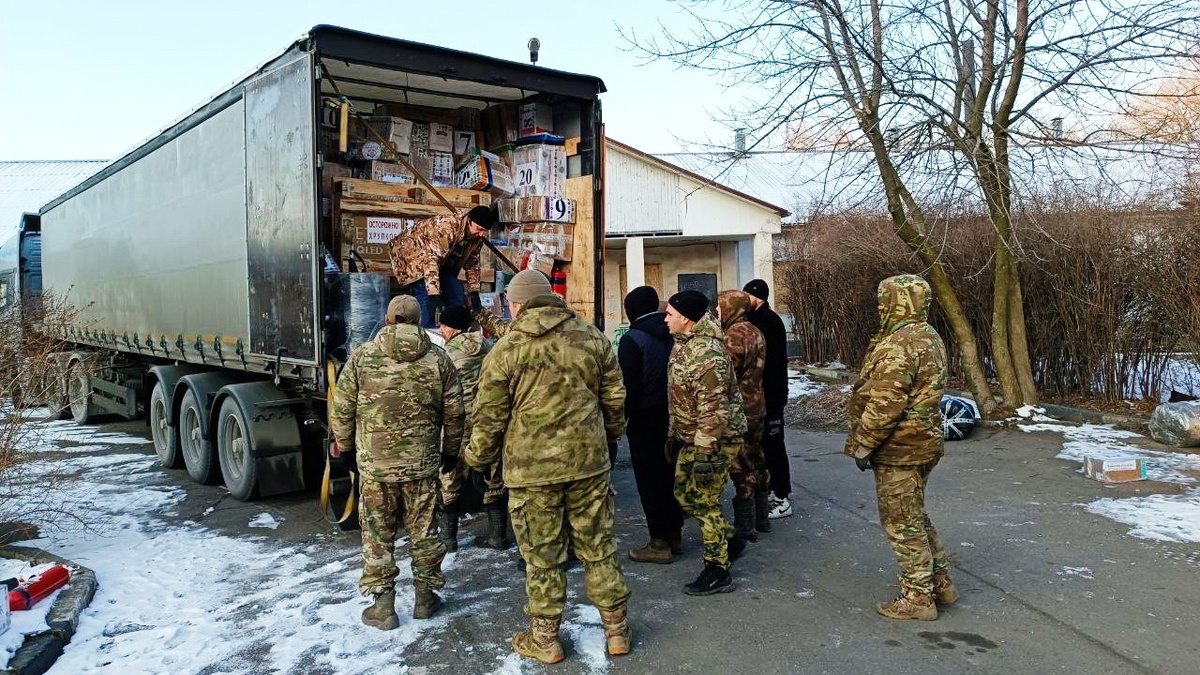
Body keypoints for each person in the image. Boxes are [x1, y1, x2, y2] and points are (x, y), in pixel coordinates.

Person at [467, 270, 632, 664]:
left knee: (542, 557)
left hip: (531, 471)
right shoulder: (592, 338)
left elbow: (489, 416)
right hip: (588, 463)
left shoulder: (507, 349)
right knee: (598, 549)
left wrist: (477, 457)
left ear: (517, 303)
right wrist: (607, 438)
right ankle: (617, 632)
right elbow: (614, 397)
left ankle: (546, 640)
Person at [330, 295, 464, 629]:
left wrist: (345, 449)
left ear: (388, 321)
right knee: (424, 532)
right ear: (420, 322)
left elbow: (342, 408)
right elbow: (456, 411)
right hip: (422, 464)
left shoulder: (361, 357)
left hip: (375, 465)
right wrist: (451, 452)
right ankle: (425, 598)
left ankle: (384, 608)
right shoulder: (438, 359)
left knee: (377, 534)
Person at [844, 274, 955, 621]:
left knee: (901, 524)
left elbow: (885, 404)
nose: (879, 305)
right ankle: (941, 583)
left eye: (883, 299)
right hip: (924, 442)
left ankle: (918, 599)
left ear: (894, 302)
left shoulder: (900, 343)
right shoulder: (928, 335)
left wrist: (863, 445)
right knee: (915, 515)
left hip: (899, 449)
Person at [664, 289, 747, 596]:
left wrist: (703, 452)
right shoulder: (684, 344)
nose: (665, 319)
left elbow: (713, 410)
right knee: (684, 494)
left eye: (670, 314)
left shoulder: (707, 354)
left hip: (715, 438)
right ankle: (730, 539)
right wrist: (677, 434)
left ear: (686, 318)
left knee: (705, 500)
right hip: (693, 436)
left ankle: (718, 570)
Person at [618, 286, 684, 564]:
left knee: (649, 481)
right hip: (675, 415)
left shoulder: (632, 340)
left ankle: (659, 542)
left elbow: (630, 389)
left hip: (645, 420)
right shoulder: (675, 332)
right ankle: (674, 535)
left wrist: (620, 420)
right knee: (672, 476)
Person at [435, 305, 508, 552]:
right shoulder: (489, 348)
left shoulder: (444, 355)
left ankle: (448, 540)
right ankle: (497, 537)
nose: (440, 329)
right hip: (486, 422)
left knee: (449, 479)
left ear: (453, 328)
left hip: (457, 424)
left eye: (443, 325)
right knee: (493, 478)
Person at [389, 205, 499, 328]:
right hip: (412, 256)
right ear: (469, 221)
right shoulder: (445, 227)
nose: (481, 234)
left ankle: (454, 330)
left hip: (440, 262)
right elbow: (430, 260)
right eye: (479, 229)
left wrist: (474, 292)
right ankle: (426, 333)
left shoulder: (477, 237)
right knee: (426, 297)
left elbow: (472, 264)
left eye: (485, 231)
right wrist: (433, 293)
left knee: (456, 290)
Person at [716, 290, 770, 542]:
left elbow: (725, 375)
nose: (717, 311)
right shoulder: (755, 331)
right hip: (758, 404)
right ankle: (762, 517)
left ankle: (745, 525)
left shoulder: (732, 336)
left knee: (741, 465)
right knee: (757, 459)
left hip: (740, 410)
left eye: (719, 306)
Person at [743, 279, 793, 521]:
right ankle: (772, 491)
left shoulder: (766, 321)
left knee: (773, 445)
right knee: (763, 445)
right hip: (768, 393)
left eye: (746, 297)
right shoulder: (762, 319)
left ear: (756, 297)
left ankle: (782, 496)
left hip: (771, 395)